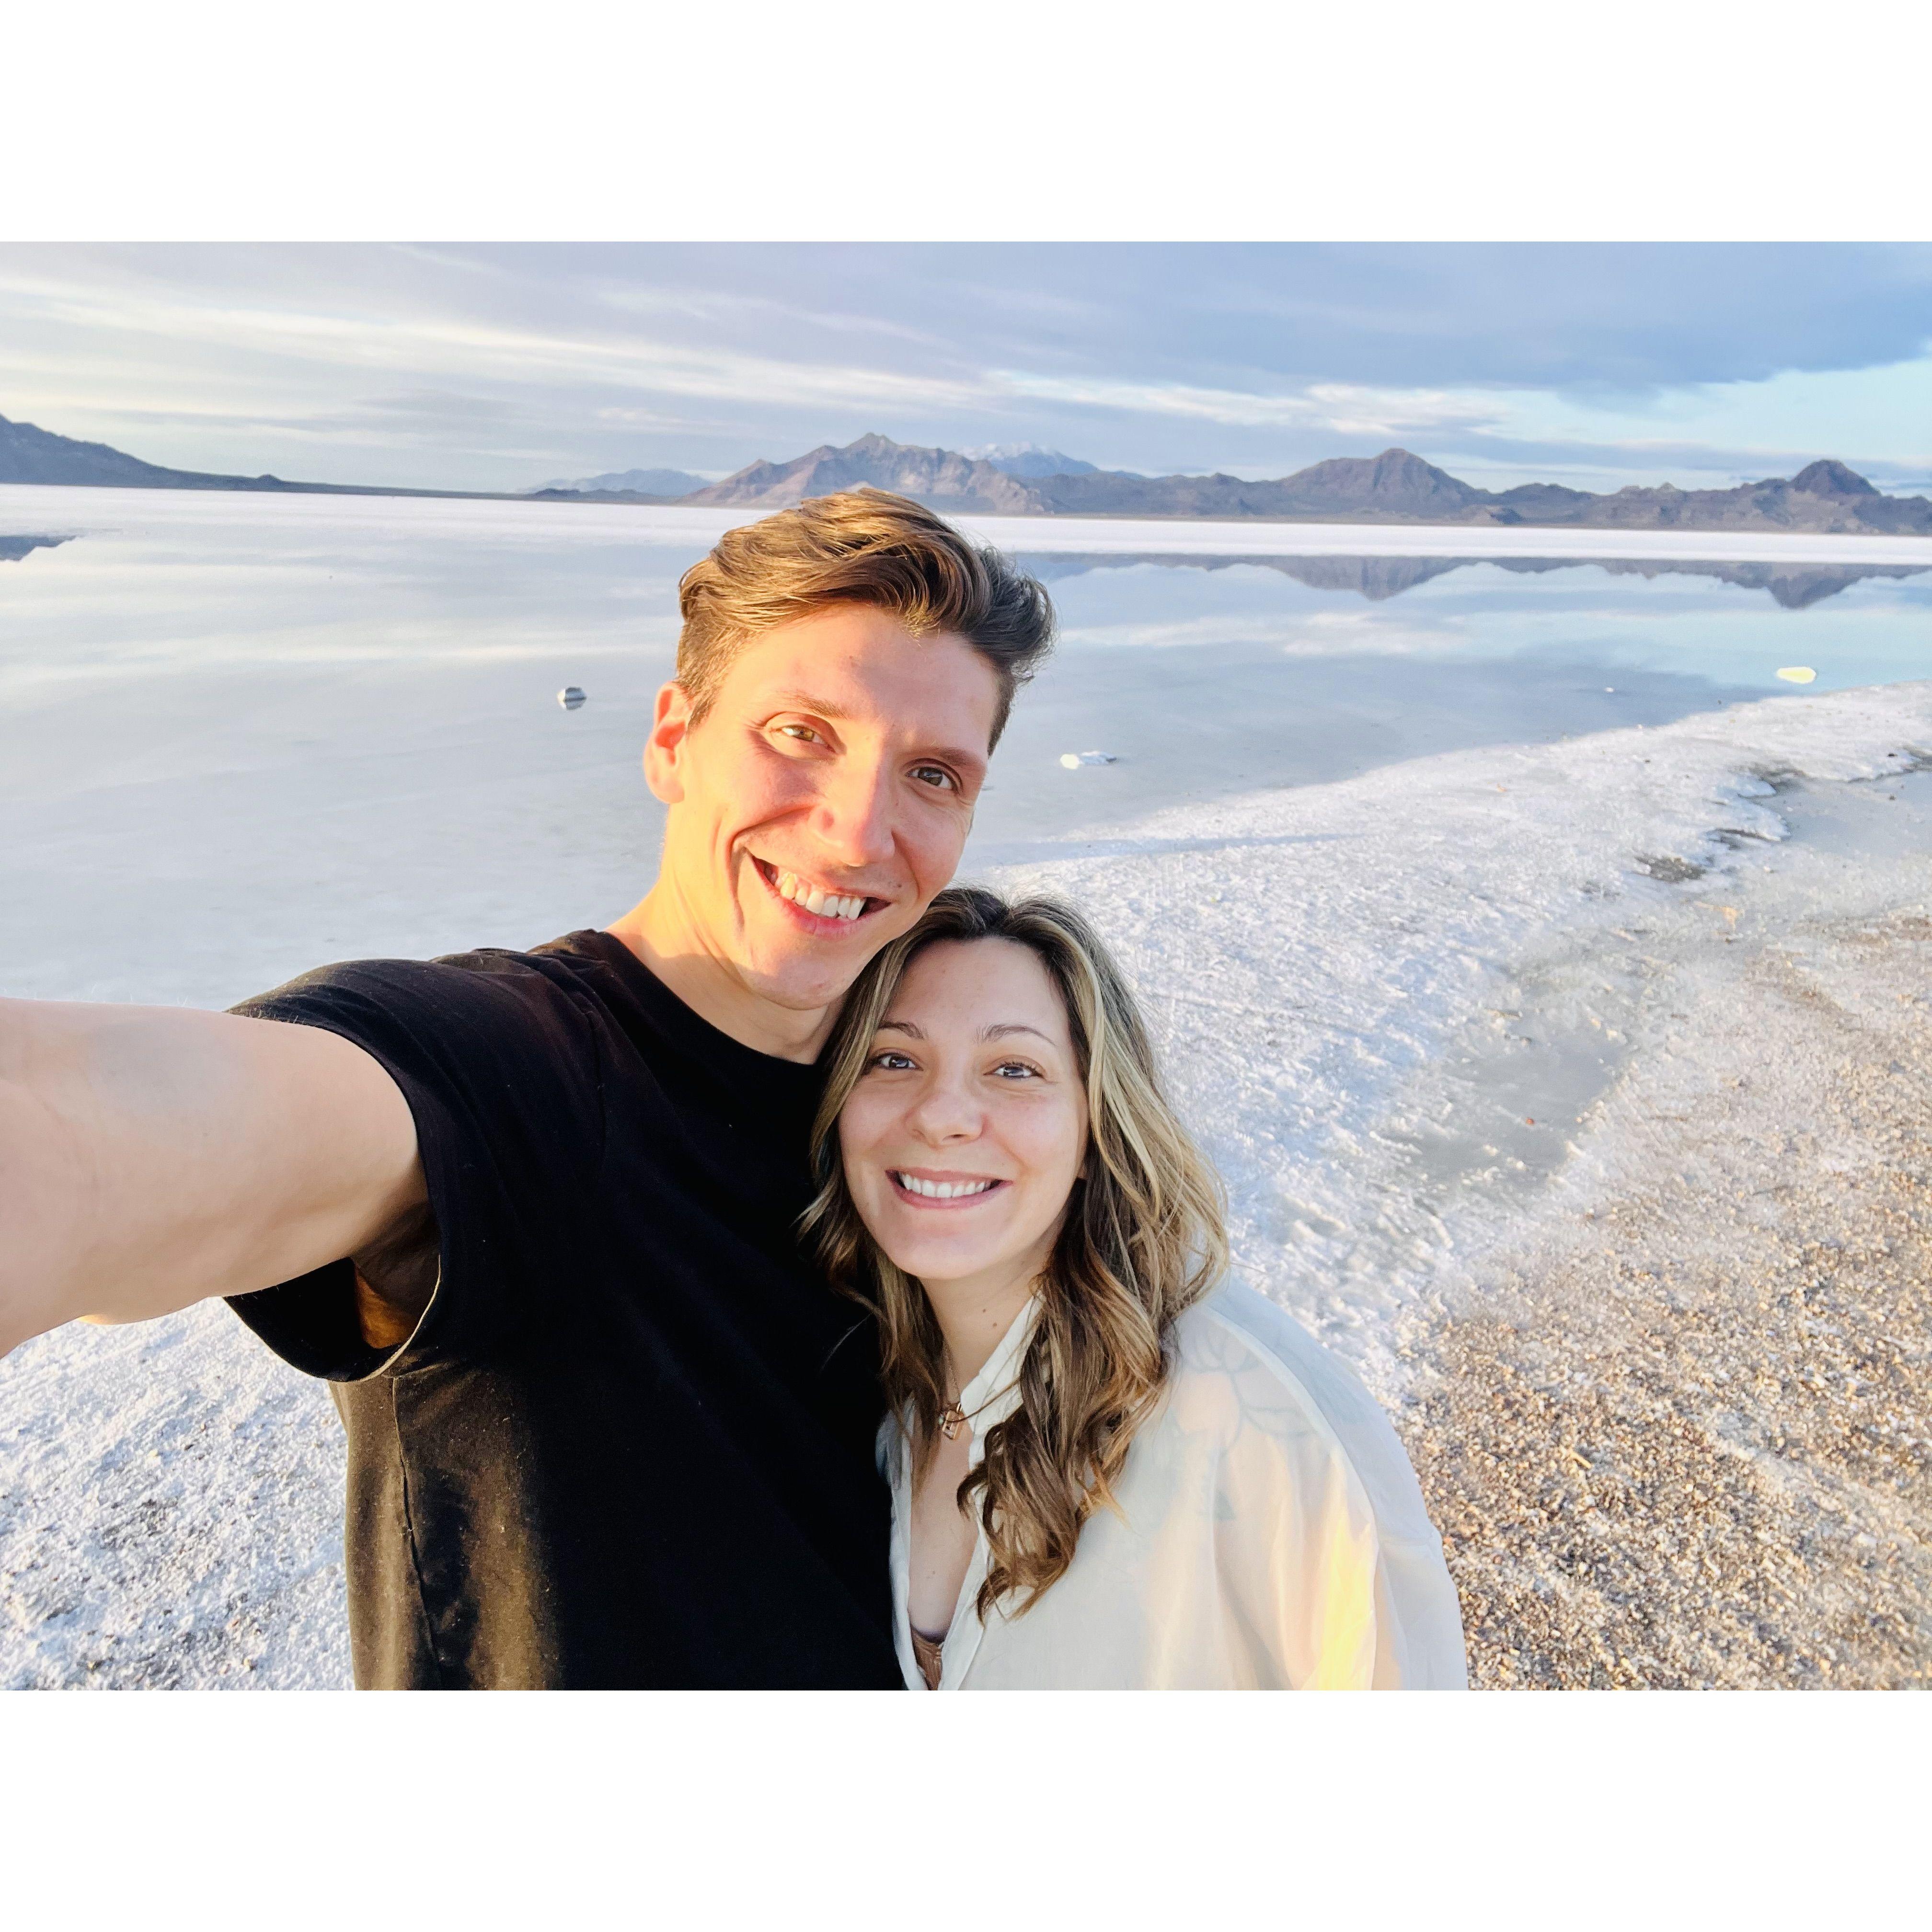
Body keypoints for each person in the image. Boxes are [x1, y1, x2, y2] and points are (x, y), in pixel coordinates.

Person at [0, 492, 1054, 1689]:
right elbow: (101, 1117)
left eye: (931, 774)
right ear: (672, 741)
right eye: (802, 734)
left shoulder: (901, 1129)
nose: (862, 831)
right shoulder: (522, 1071)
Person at [804, 886, 1468, 1689]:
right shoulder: (861, 1383)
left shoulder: (1260, 1419)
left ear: (1095, 1129)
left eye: (1014, 1069)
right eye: (895, 1059)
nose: (942, 1115)